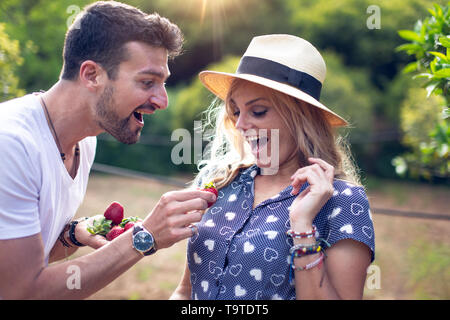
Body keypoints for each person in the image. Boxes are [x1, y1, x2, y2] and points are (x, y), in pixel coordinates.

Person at [0, 1, 215, 299]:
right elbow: (21, 291)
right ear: (91, 75)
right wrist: (144, 238)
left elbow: (26, 259)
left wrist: (71, 234)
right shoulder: (10, 145)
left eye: (162, 84)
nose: (162, 101)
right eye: (147, 82)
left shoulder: (85, 142)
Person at [171, 34, 375, 300]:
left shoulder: (342, 202)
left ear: (300, 117)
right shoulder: (216, 182)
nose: (241, 124)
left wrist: (302, 227)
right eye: (235, 112)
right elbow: (185, 292)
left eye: (258, 112)